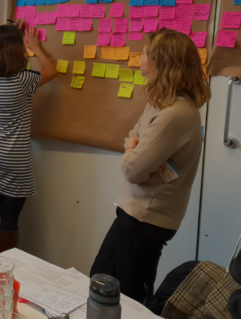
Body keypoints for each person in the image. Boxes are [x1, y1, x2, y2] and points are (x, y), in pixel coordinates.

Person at [90, 28, 211, 303]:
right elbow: (133, 136)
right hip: (133, 211)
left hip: (147, 218)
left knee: (128, 296)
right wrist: (135, 148)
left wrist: (134, 150)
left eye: (144, 53)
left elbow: (132, 170)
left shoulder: (175, 114)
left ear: (159, 63)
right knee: (99, 278)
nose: (139, 57)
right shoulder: (160, 101)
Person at [0, 21, 57, 252]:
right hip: (15, 161)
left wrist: (11, 34)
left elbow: (6, 58)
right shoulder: (23, 80)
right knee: (9, 221)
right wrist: (36, 47)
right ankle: (3, 271)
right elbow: (51, 71)